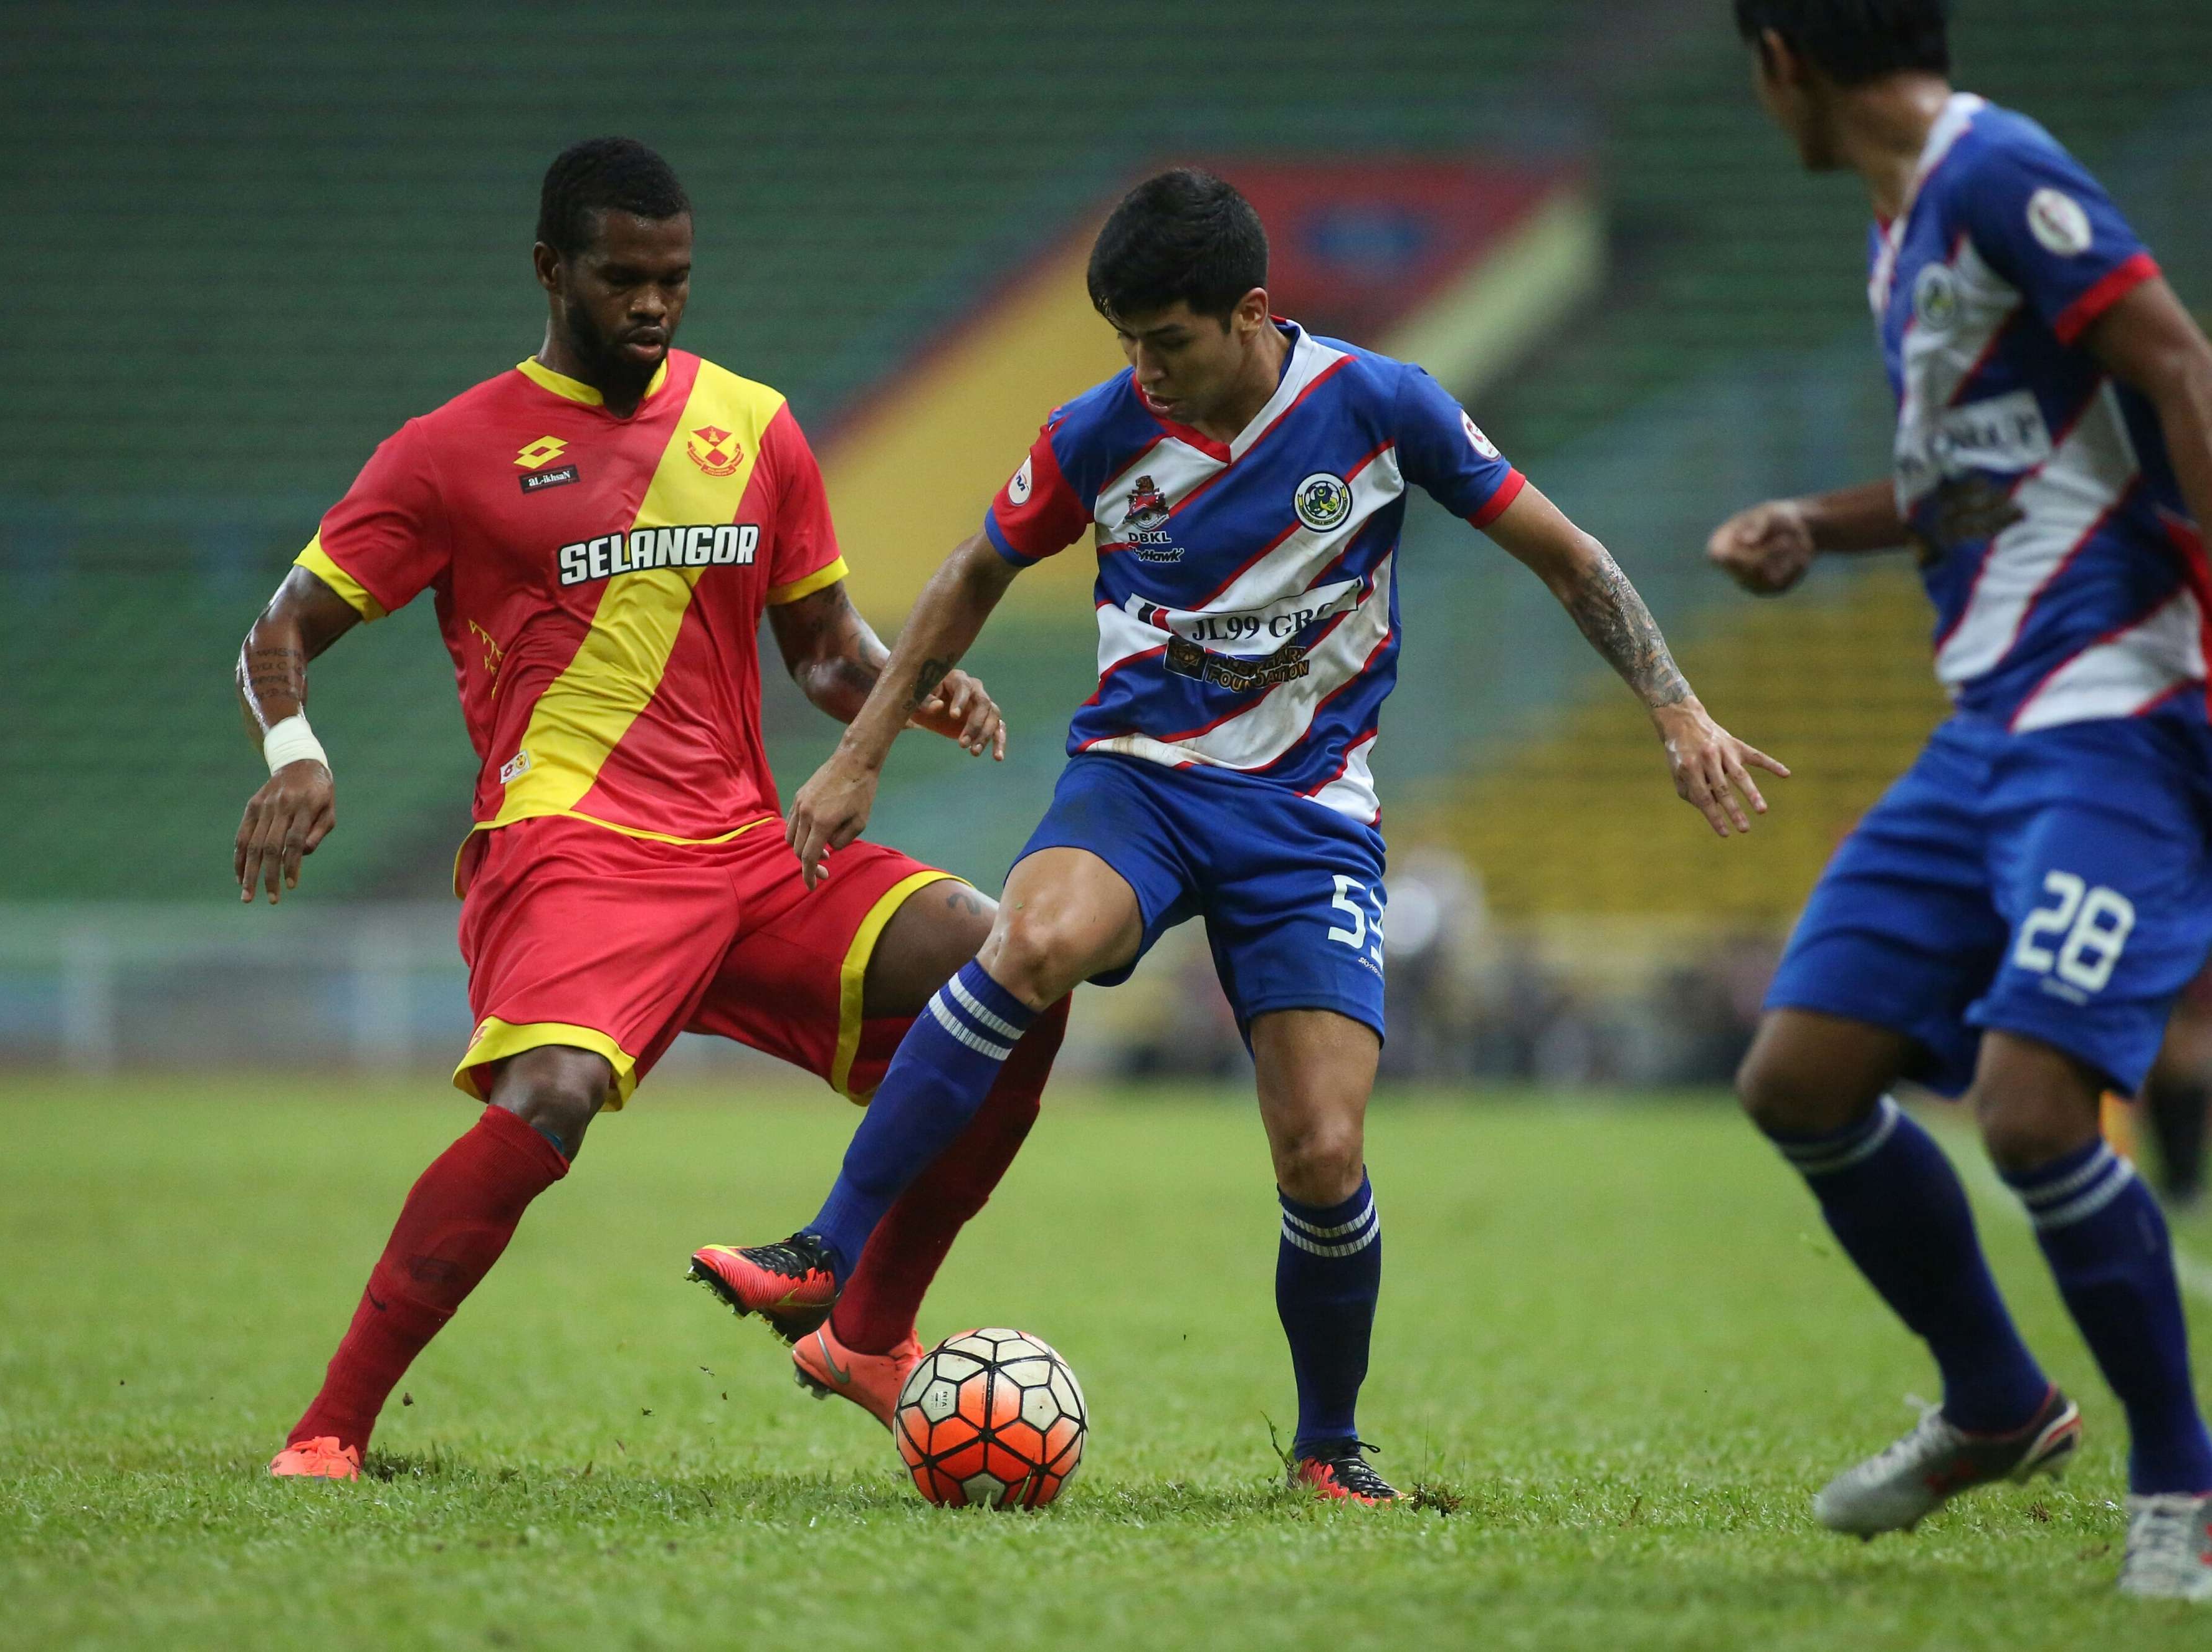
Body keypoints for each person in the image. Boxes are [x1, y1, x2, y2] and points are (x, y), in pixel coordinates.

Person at [690, 168, 1783, 1504]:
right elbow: (975, 570)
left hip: (1310, 820)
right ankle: (827, 1250)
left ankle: (1329, 1451)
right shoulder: (1098, 433)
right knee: (1031, 942)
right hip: (1137, 781)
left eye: (1166, 342)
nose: (1142, 372)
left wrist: (1676, 707)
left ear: (1251, 313)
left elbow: (1566, 551)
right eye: (1126, 346)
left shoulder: (1383, 408)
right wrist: (858, 753)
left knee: (1323, 1150)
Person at [236, 136, 1069, 1481]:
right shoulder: (449, 453)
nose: (653, 305)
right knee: (551, 1096)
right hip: (572, 851)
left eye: (674, 279)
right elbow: (280, 627)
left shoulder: (752, 424)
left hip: (750, 850)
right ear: (551, 270)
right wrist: (294, 748)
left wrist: (915, 693)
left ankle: (869, 1326)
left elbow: (822, 649)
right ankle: (330, 1428)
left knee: (1020, 958)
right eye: (623, 277)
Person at [1710, 0, 2212, 1598]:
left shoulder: (1996, 170)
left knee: (2030, 1106)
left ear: (1784, 58)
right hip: (1988, 725)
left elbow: (2181, 366)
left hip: (2115, 718)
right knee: (1799, 1074)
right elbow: (1986, 482)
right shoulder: (1905, 224)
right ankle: (1998, 1403)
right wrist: (1819, 522)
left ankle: (2184, 1488)